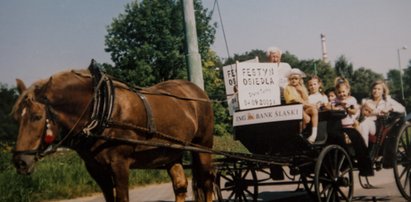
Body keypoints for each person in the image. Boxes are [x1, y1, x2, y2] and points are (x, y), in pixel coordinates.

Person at [334, 77, 373, 176]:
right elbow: (331, 108)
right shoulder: (335, 100)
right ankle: (343, 163)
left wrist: (346, 107)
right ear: (336, 92)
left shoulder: (351, 100)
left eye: (343, 92)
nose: (341, 94)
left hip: (349, 125)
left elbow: (354, 111)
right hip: (338, 126)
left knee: (358, 142)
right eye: (339, 92)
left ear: (347, 90)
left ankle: (365, 167)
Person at [359, 80, 406, 146]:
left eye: (379, 89)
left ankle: (363, 151)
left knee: (364, 124)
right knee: (362, 124)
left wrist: (390, 108)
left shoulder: (387, 100)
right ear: (371, 90)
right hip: (367, 122)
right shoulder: (365, 101)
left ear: (383, 91)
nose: (376, 91)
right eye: (374, 88)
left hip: (380, 126)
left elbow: (402, 108)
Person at [283, 68, 318, 144]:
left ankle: (314, 134)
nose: (294, 80)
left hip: (302, 108)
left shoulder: (302, 88)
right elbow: (294, 101)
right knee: (307, 118)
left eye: (296, 79)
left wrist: (302, 91)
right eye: (292, 79)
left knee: (314, 110)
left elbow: (306, 100)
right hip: (293, 109)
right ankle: (301, 134)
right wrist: (308, 104)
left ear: (299, 79)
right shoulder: (288, 88)